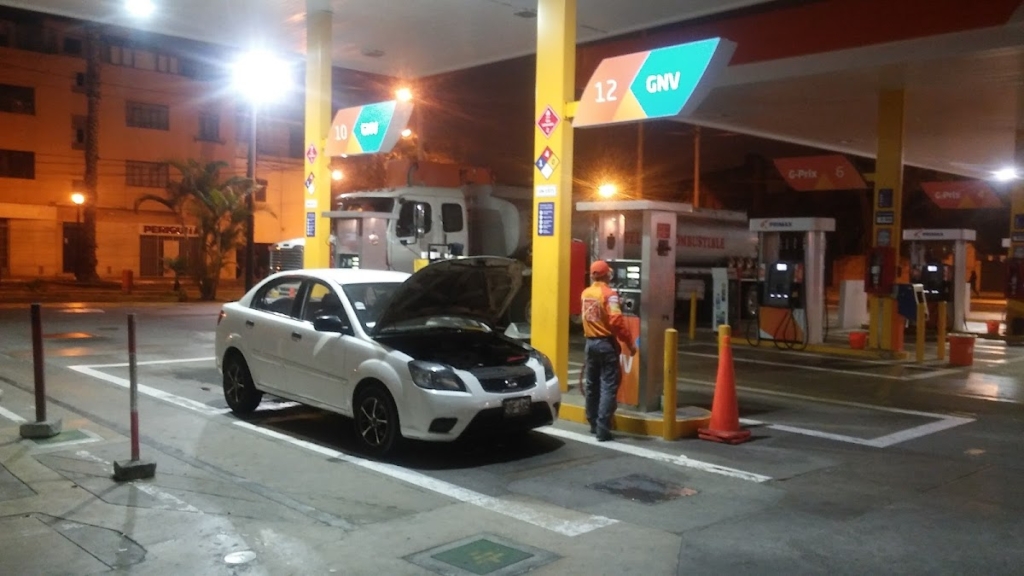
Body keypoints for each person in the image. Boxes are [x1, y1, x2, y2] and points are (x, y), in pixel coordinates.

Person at [580, 260, 637, 442]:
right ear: (607, 275)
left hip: (590, 343)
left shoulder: (585, 293)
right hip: (605, 344)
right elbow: (616, 322)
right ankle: (603, 429)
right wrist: (630, 343)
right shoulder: (610, 295)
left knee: (592, 385)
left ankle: (593, 423)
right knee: (608, 385)